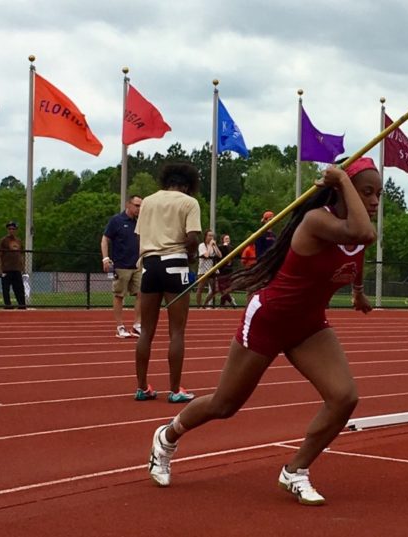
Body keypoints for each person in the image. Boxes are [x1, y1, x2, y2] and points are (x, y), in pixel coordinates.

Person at [147, 157, 381, 506]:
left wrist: (359, 291)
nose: (375, 201)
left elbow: (356, 253)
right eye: (367, 193)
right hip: (268, 320)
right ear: (341, 191)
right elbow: (362, 234)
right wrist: (339, 179)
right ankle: (166, 437)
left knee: (344, 397)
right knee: (225, 405)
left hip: (309, 326)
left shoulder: (356, 231)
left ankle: (296, 470)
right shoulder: (319, 221)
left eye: (379, 194)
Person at [134, 162, 202, 403]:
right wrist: (192, 255)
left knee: (146, 332)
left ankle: (142, 387)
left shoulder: (148, 201)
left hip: (149, 265)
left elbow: (141, 235)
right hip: (175, 263)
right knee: (176, 332)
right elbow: (193, 238)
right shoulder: (188, 202)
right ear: (186, 185)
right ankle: (175, 390)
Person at [101, 195, 143, 338]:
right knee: (119, 295)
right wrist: (106, 258)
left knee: (141, 294)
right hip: (120, 265)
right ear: (128, 205)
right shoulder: (116, 220)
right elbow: (105, 239)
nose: (139, 209)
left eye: (141, 206)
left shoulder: (140, 222)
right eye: (137, 205)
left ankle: (137, 324)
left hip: (137, 265)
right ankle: (120, 326)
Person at [0, 221, 26, 309]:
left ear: (16, 230)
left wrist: (23, 267)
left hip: (17, 268)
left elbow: (22, 254)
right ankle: (8, 305)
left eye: (13, 229)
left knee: (19, 288)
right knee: (6, 288)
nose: (11, 230)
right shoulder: (3, 240)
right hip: (6, 268)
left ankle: (21, 304)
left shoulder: (19, 241)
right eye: (9, 229)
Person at [195, 230, 221, 308]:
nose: (211, 237)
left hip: (212, 269)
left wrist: (215, 246)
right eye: (209, 235)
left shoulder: (213, 245)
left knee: (215, 289)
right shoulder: (201, 245)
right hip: (203, 270)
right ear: (205, 236)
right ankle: (198, 306)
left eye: (212, 236)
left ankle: (204, 304)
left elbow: (220, 255)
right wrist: (209, 245)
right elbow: (206, 255)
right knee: (200, 289)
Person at [215, 234, 237, 307]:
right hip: (221, 270)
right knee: (221, 288)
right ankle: (231, 301)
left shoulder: (231, 247)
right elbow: (219, 256)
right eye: (226, 239)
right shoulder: (220, 247)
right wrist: (224, 246)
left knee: (226, 288)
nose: (228, 240)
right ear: (223, 240)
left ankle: (222, 304)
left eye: (228, 238)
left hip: (229, 270)